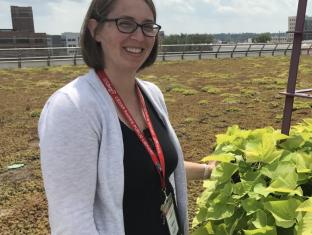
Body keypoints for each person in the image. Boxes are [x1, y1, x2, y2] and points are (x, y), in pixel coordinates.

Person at [38, 0, 213, 234]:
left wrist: (207, 171)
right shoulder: (72, 107)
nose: (139, 36)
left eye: (147, 26)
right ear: (95, 29)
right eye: (126, 24)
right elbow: (71, 221)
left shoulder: (151, 95)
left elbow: (150, 168)